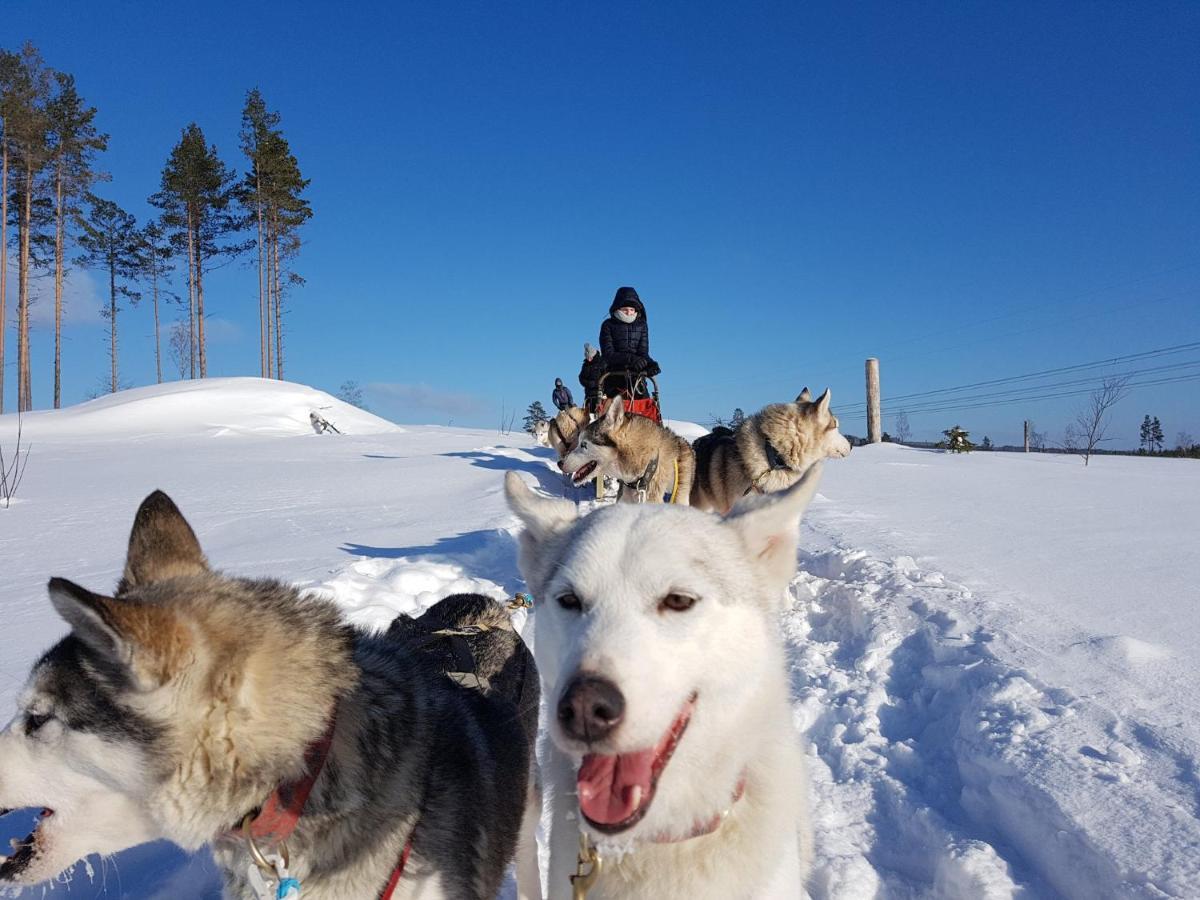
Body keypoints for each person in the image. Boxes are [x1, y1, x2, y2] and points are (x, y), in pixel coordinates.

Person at [599, 286, 658, 397]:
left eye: (632, 310)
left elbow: (643, 352)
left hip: (636, 378)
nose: (629, 313)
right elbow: (608, 354)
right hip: (613, 377)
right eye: (625, 310)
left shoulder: (642, 325)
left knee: (646, 408)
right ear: (618, 309)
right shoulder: (608, 325)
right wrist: (631, 359)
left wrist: (649, 364)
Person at [578, 343, 605, 413]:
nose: (589, 360)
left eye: (590, 358)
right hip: (589, 396)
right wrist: (588, 383)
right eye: (587, 358)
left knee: (599, 415)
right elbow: (581, 378)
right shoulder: (585, 365)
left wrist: (596, 384)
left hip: (600, 395)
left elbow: (606, 378)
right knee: (588, 418)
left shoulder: (602, 362)